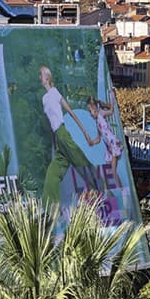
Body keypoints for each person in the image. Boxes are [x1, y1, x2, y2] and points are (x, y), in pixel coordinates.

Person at [39, 66, 94, 206]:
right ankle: (50, 210)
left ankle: (102, 188)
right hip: (58, 138)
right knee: (52, 173)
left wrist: (85, 132)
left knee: (80, 161)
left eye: (41, 74)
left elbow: (71, 112)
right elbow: (49, 123)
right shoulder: (44, 99)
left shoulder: (55, 93)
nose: (39, 77)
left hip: (63, 133)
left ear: (47, 77)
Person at [86, 90, 124, 187]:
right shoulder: (97, 122)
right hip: (108, 147)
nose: (90, 114)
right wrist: (92, 142)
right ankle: (113, 190)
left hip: (113, 143)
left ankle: (123, 191)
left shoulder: (101, 114)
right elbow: (98, 138)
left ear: (94, 108)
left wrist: (112, 97)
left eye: (91, 111)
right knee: (108, 172)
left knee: (113, 171)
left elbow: (111, 111)